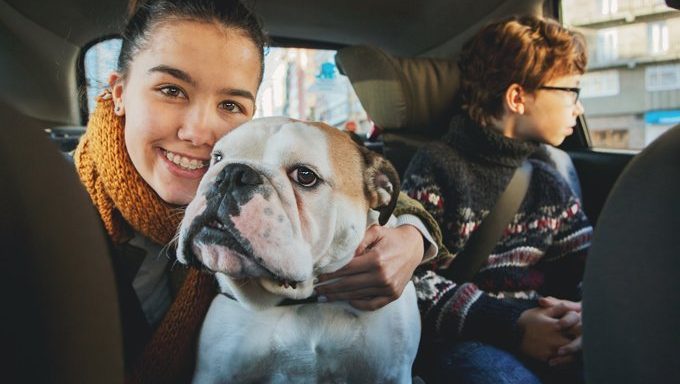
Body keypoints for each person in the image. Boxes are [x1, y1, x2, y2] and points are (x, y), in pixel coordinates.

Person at [73, 0, 442, 382]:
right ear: (119, 92)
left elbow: (363, 189)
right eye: (171, 90)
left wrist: (413, 235)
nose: (199, 132)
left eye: (230, 104)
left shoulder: (245, 187)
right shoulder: (52, 205)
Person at [402, 15, 592, 384]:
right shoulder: (438, 166)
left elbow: (589, 267)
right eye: (571, 92)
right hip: (465, 337)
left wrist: (584, 313)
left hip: (546, 335)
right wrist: (513, 324)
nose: (578, 107)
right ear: (517, 97)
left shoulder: (549, 178)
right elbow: (411, 278)